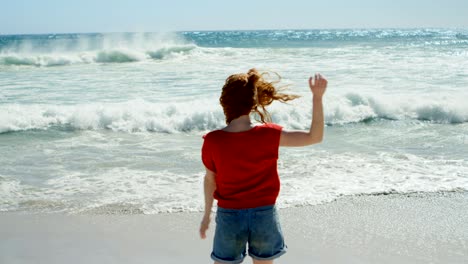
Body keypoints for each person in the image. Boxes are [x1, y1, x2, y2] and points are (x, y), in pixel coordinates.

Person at [199, 68, 328, 264]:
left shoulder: (213, 140)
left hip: (229, 217)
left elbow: (210, 181)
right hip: (264, 214)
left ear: (225, 102)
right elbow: (314, 137)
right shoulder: (269, 134)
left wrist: (207, 215)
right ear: (253, 102)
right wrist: (317, 98)